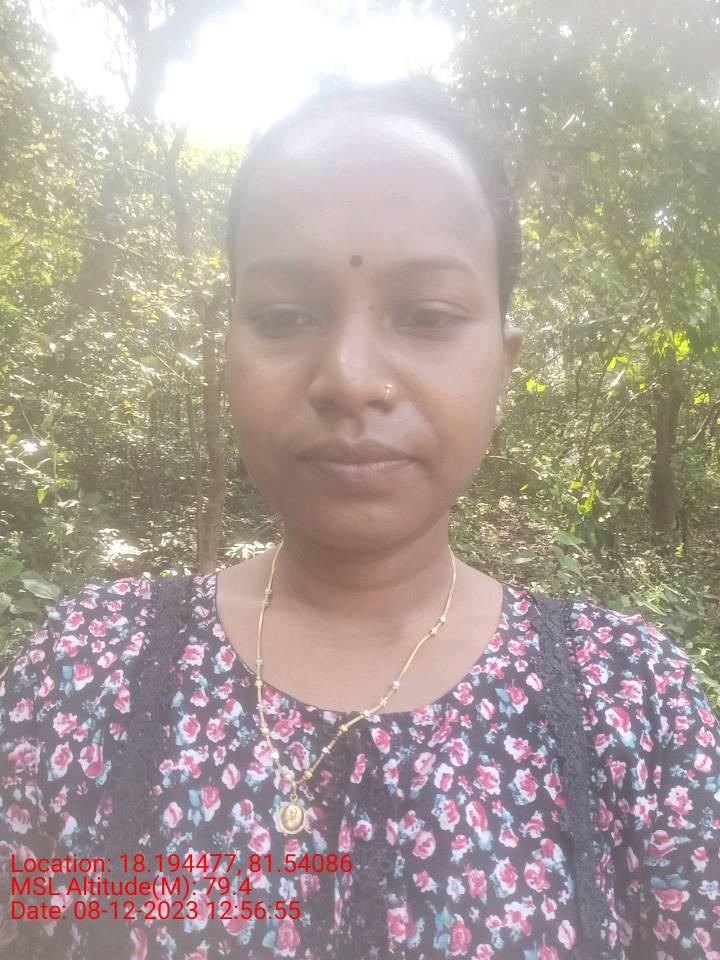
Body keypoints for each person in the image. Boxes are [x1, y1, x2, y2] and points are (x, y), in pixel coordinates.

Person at [1, 75, 719, 960]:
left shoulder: (633, 704)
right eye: (284, 315)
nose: (349, 376)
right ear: (227, 353)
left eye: (427, 316)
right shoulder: (84, 675)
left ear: (503, 365)